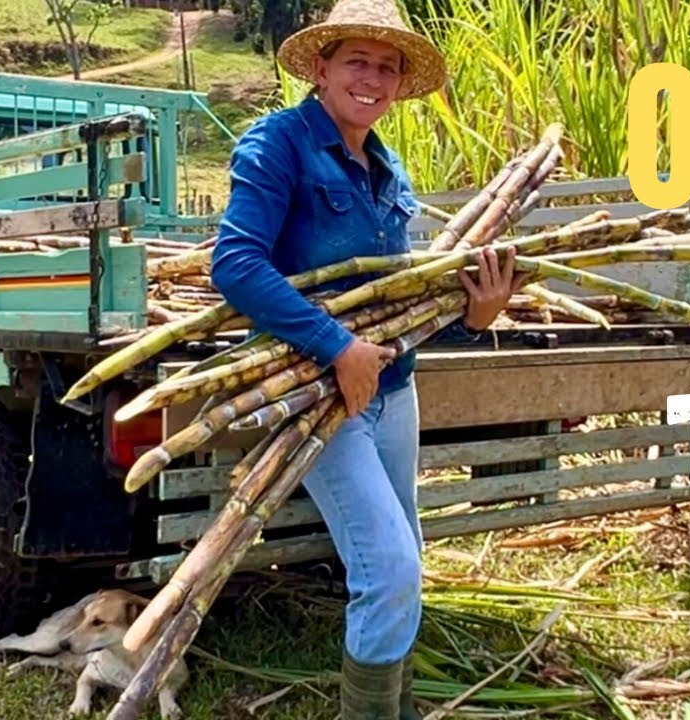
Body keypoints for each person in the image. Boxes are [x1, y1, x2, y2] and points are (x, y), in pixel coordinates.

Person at [209, 0, 521, 717]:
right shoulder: (277, 144)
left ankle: (392, 705)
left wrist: (474, 319)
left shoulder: (387, 167)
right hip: (318, 392)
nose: (373, 79)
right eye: (358, 61)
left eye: (388, 68)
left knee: (401, 560)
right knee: (387, 567)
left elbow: (397, 306)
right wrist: (335, 346)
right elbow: (235, 264)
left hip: (393, 390)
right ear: (320, 70)